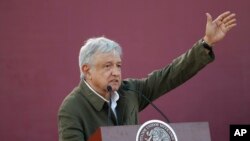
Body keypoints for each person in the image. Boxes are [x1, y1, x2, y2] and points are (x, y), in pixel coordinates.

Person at [58, 11, 237, 141]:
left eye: (118, 65)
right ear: (87, 70)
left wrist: (206, 43)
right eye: (107, 66)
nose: (116, 72)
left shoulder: (130, 91)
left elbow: (170, 75)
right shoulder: (72, 108)